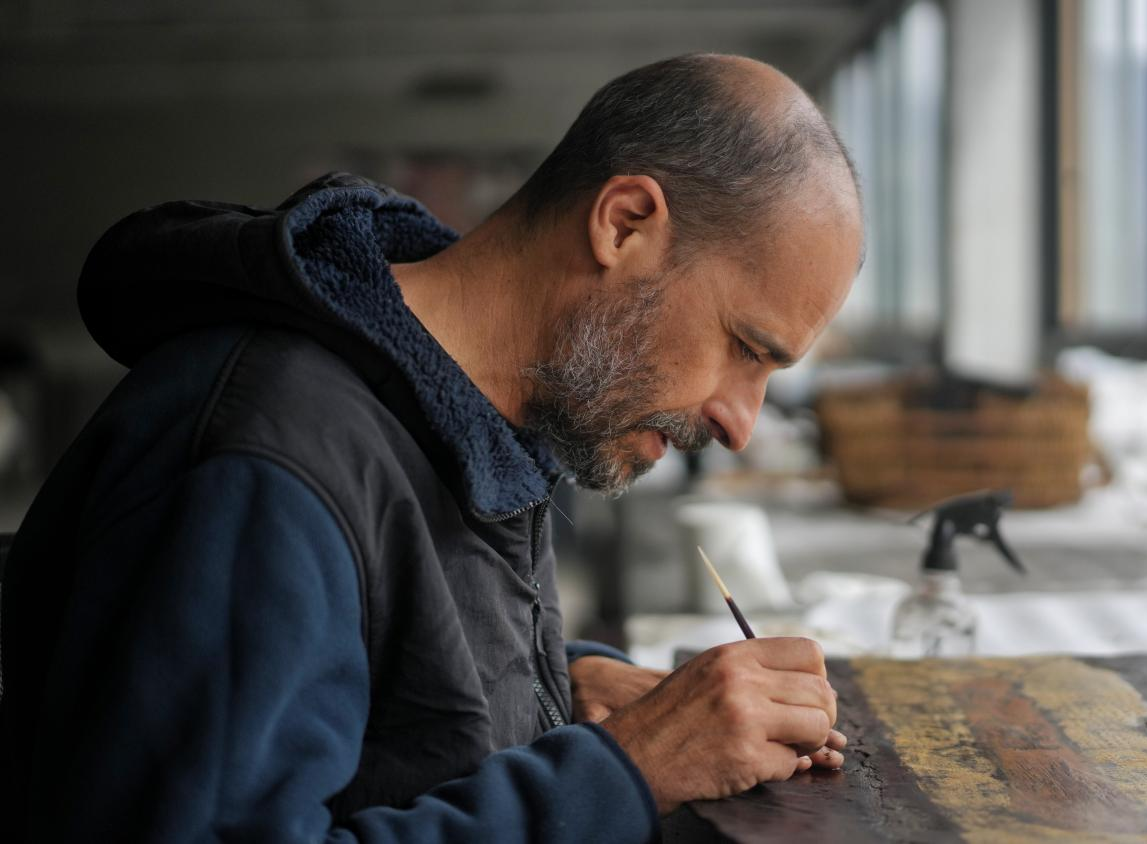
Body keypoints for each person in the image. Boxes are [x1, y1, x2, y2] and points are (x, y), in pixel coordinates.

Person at [0, 53, 863, 842]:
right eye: (747, 348)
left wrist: (552, 690)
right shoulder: (260, 466)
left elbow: (363, 685)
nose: (742, 422)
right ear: (625, 223)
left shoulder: (468, 407)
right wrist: (623, 773)